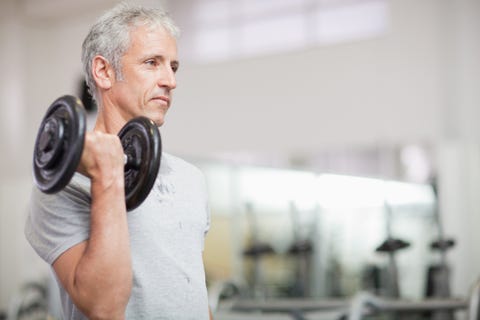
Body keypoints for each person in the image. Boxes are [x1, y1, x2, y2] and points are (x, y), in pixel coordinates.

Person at [25, 3, 212, 319]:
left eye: (174, 66)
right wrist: (107, 172)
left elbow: (192, 292)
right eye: (152, 63)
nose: (170, 80)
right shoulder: (64, 185)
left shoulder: (190, 178)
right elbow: (104, 307)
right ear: (104, 72)